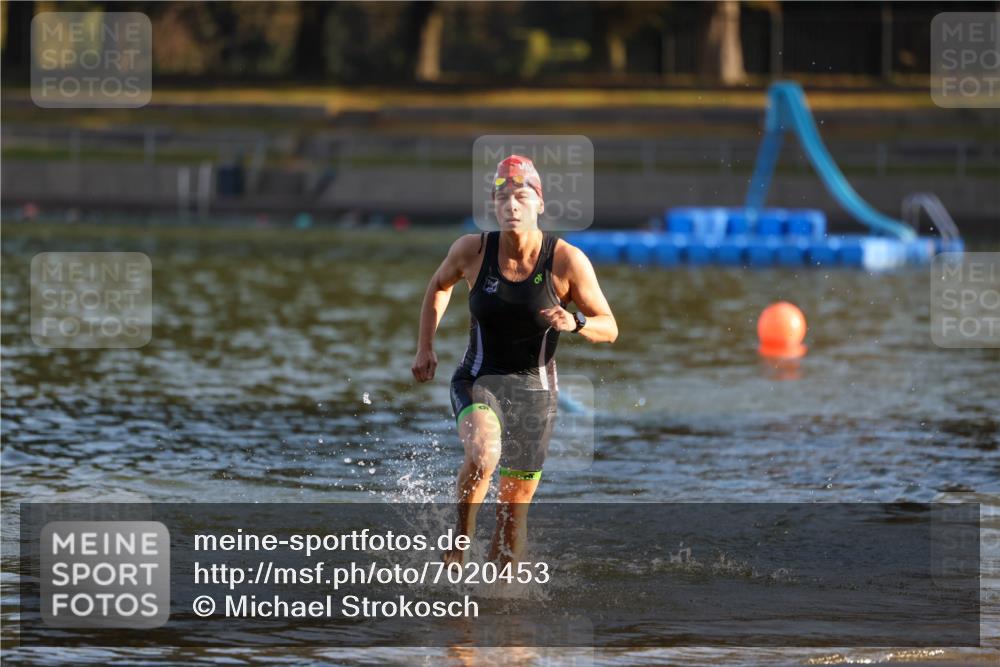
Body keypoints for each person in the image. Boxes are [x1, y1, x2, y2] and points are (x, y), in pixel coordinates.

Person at [412, 155, 618, 567]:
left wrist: (575, 323)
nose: (511, 205)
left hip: (534, 390)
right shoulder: (472, 249)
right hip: (479, 377)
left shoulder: (566, 261)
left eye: (521, 196)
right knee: (485, 452)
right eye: (502, 197)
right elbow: (438, 286)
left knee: (511, 517)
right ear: (494, 205)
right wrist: (425, 346)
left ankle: (502, 605)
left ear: (539, 204)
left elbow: (609, 326)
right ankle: (459, 544)